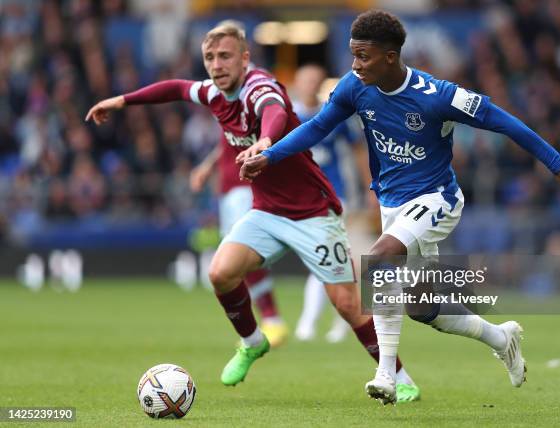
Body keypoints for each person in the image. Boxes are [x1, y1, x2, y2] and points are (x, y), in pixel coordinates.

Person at [239, 10, 560, 405]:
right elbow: (318, 127)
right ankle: (500, 336)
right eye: (353, 55)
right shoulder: (354, 88)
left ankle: (385, 374)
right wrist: (271, 155)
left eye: (364, 56)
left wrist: (557, 164)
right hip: (393, 205)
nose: (355, 65)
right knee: (423, 308)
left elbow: (504, 121)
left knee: (380, 258)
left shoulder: (438, 95)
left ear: (391, 57)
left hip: (436, 199)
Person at [86, 21, 421, 403]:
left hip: (312, 212)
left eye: (225, 55)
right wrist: (123, 101)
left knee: (346, 303)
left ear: (245, 58)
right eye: (210, 57)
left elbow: (275, 111)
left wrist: (264, 140)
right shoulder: (214, 92)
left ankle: (400, 376)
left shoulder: (259, 86)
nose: (217, 64)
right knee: (220, 272)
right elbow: (177, 88)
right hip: (266, 211)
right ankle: (252, 341)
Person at [290, 64, 369, 343]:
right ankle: (339, 322)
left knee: (326, 259)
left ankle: (309, 323)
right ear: (297, 85)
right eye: (306, 80)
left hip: (334, 196)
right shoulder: (288, 116)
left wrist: (370, 186)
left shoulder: (334, 115)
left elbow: (358, 149)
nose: (311, 85)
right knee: (335, 262)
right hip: (302, 198)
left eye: (315, 80)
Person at [190, 140, 289, 348]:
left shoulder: (257, 107)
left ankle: (272, 318)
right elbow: (229, 140)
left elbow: (264, 137)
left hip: (245, 185)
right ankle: (270, 319)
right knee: (237, 258)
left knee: (242, 252)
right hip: (229, 187)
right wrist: (208, 165)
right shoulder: (229, 110)